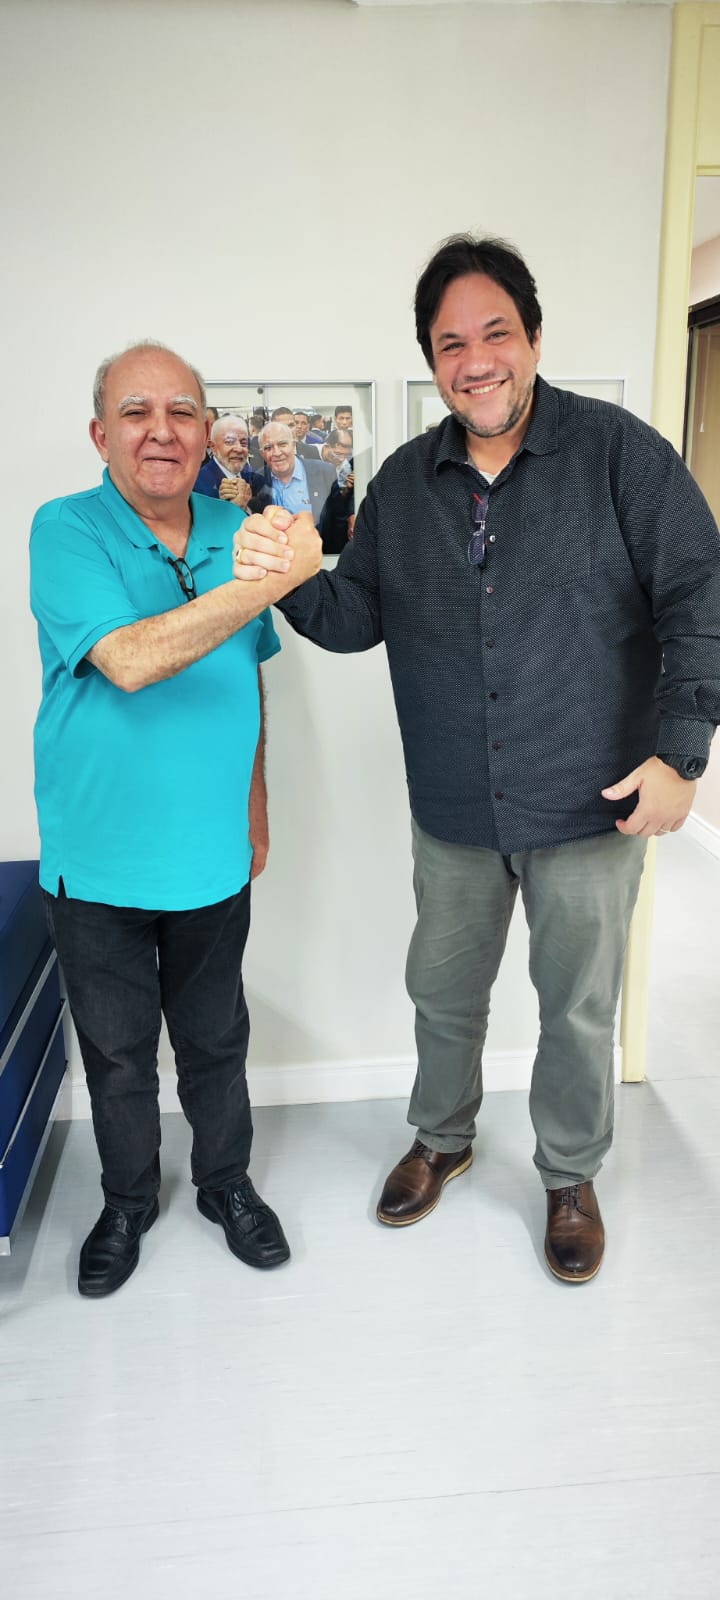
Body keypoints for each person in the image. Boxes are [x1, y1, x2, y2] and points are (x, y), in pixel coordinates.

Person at [233, 234, 720, 1284]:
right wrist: (289, 577)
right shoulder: (406, 484)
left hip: (592, 801)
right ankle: (442, 1139)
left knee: (578, 1009)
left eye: (496, 333)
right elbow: (355, 616)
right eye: (451, 344)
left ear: (534, 338)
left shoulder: (622, 457)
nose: (476, 359)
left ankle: (569, 1173)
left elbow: (699, 595)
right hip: (454, 805)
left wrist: (683, 755)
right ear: (432, 361)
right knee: (443, 992)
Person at [29, 341, 321, 1297]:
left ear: (205, 432)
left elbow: (247, 678)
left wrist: (256, 809)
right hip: (96, 863)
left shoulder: (236, 527)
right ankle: (126, 1202)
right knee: (118, 1058)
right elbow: (128, 660)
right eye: (137, 412)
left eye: (182, 412)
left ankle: (225, 1183)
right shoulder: (65, 529)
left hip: (210, 855)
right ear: (100, 434)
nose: (161, 431)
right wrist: (264, 581)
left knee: (215, 1041)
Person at [259, 421, 337, 530]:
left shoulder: (324, 473)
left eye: (282, 444)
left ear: (293, 446)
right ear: (262, 454)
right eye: (268, 448)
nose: (276, 453)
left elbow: (338, 521)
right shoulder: (258, 480)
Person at [194, 413, 269, 512]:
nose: (239, 449)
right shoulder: (197, 486)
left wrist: (248, 507)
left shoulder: (256, 479)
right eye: (229, 442)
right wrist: (228, 508)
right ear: (213, 447)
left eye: (243, 443)